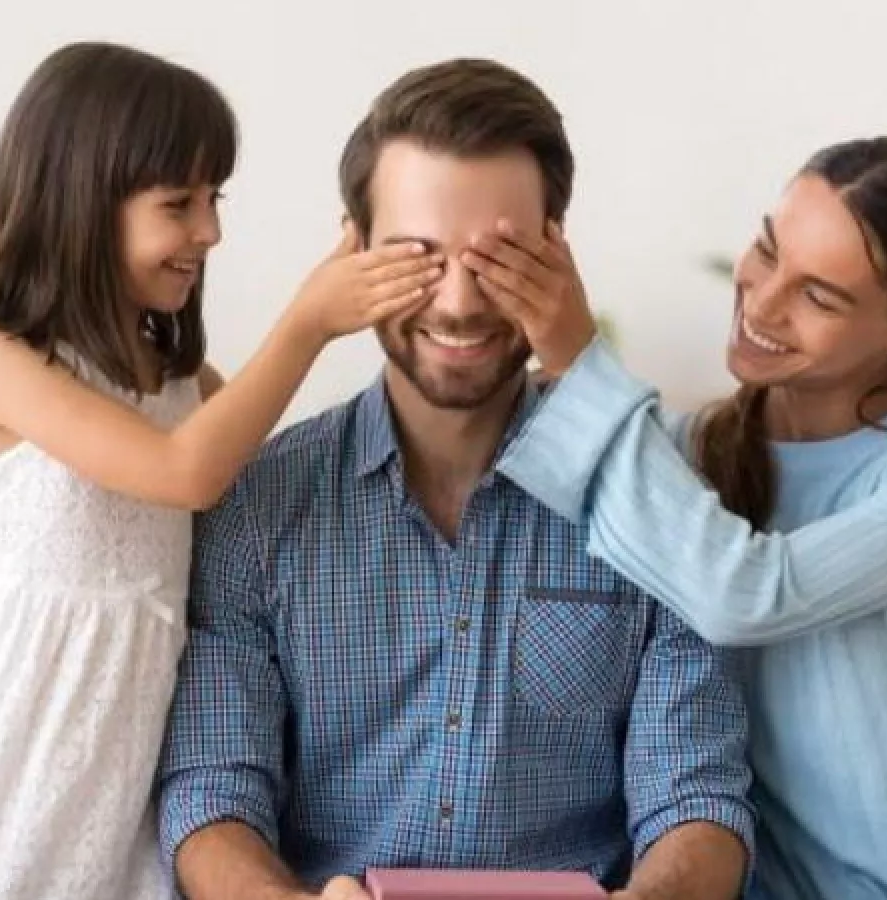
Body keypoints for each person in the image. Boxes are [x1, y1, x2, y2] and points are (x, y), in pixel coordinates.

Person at [157, 58, 756, 900]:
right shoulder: (258, 507)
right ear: (353, 250)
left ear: (557, 249)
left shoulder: (655, 503)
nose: (460, 302)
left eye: (499, 257)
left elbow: (698, 799)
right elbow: (211, 792)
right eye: (419, 258)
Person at [0, 41, 443, 900]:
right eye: (179, 204)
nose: (209, 232)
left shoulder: (177, 379)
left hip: (121, 735)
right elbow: (186, 473)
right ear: (81, 202)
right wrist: (307, 322)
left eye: (214, 198)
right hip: (12, 729)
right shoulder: (3, 361)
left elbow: (257, 477)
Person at [473, 135, 887, 899]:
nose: (761, 302)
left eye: (818, 296)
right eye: (767, 250)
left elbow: (748, 594)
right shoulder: (683, 456)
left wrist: (577, 356)